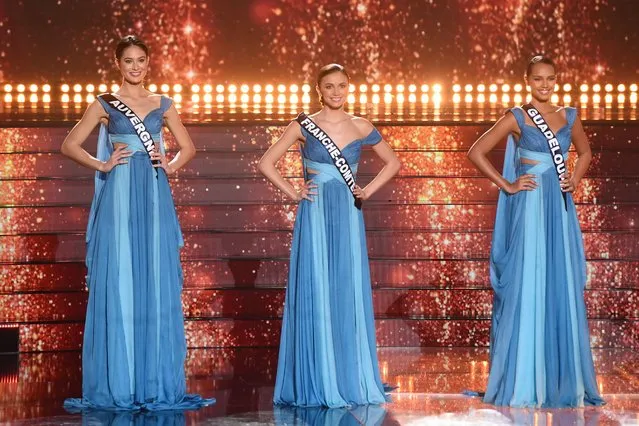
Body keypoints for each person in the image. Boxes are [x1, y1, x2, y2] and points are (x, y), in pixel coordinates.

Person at [61, 35, 213, 410]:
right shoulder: (104, 104)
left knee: (153, 272)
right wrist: (103, 164)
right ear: (119, 64)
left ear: (149, 63)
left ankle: (152, 378)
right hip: (120, 194)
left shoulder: (162, 103)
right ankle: (123, 378)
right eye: (128, 60)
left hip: (154, 193)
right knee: (122, 273)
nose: (135, 66)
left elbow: (188, 147)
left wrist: (169, 164)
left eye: (140, 60)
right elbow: (69, 144)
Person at [258, 64, 401, 407]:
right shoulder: (304, 125)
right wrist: (295, 193)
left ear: (348, 87)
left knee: (344, 286)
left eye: (341, 86)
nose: (336, 92)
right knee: (317, 285)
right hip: (317, 213)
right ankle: (319, 375)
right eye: (329, 86)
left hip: (348, 215)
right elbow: (266, 162)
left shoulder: (361, 125)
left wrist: (366, 190)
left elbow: (393, 163)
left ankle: (348, 373)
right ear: (319, 90)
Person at [467, 55, 605, 407]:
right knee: (529, 279)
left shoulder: (568, 115)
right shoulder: (517, 116)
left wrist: (572, 179)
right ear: (527, 80)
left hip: (558, 208)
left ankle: (559, 374)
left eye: (550, 79)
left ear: (556, 80)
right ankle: (526, 375)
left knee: (558, 279)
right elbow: (477, 151)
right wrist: (508, 184)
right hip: (529, 208)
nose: (544, 85)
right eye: (538, 79)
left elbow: (585, 152)